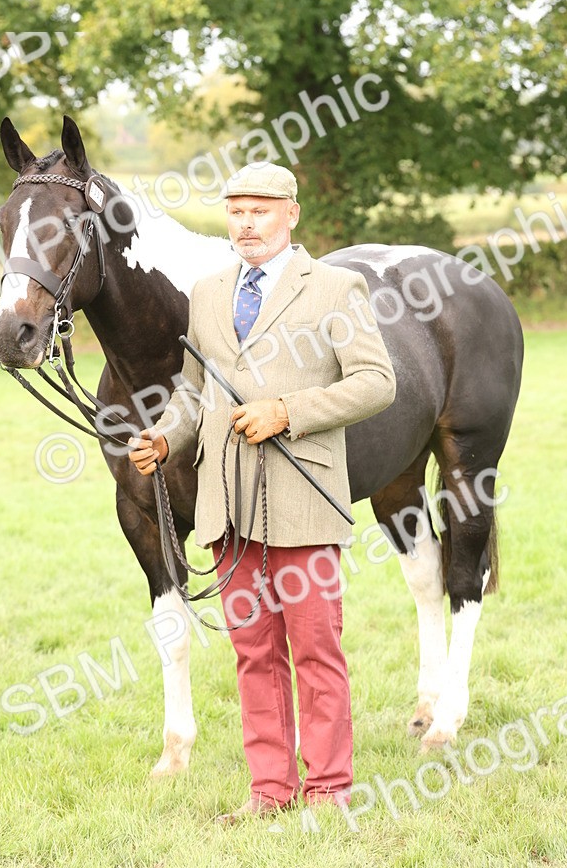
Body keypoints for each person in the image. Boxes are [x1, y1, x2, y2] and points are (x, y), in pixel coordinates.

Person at [128, 161, 396, 824]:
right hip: (228, 505)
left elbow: (376, 382)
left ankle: (330, 792)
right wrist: (165, 437)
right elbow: (194, 391)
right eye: (236, 210)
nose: (246, 223)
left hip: (306, 499)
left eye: (260, 210)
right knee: (254, 653)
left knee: (315, 650)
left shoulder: (336, 287)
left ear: (290, 215)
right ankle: (269, 791)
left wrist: (289, 410)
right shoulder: (208, 290)